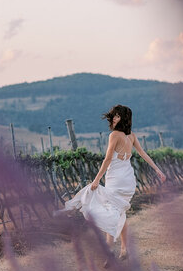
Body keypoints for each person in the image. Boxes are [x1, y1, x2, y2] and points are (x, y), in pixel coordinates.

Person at [56, 104, 166, 261]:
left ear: (122, 118)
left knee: (111, 212)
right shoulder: (131, 136)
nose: (114, 118)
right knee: (119, 212)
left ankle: (109, 251)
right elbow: (142, 154)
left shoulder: (114, 135)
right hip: (128, 179)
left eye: (117, 115)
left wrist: (96, 179)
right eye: (113, 115)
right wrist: (157, 169)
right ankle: (124, 248)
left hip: (116, 179)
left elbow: (108, 159)